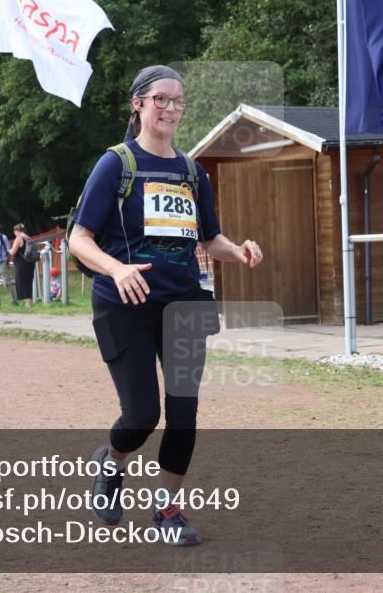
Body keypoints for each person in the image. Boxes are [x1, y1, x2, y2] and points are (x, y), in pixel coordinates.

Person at [68, 65, 263, 546]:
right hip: (125, 303)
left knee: (183, 412)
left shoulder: (192, 172)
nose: (171, 109)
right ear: (138, 104)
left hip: (184, 304)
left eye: (178, 101)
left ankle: (168, 511)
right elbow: (79, 239)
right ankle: (111, 463)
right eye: (161, 99)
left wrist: (235, 250)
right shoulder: (116, 164)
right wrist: (116, 269)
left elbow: (208, 236)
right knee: (141, 416)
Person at [8, 223, 35, 307]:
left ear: (16, 231)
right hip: (30, 263)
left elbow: (13, 252)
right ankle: (29, 303)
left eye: (14, 231)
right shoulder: (28, 238)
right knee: (28, 282)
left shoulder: (19, 239)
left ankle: (28, 305)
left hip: (22, 264)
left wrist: (8, 250)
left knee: (22, 282)